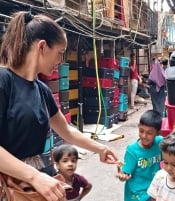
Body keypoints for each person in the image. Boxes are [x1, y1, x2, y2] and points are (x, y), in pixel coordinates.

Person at [0, 11, 118, 201]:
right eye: (59, 53)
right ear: (42, 47)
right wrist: (35, 177)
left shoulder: (41, 89)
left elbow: (67, 132)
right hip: (10, 187)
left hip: (34, 185)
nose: (60, 61)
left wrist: (100, 149)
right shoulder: (4, 80)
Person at [117, 110, 163, 201]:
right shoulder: (132, 150)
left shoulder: (160, 142)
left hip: (155, 192)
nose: (144, 136)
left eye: (149, 133)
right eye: (141, 131)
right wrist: (122, 176)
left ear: (158, 133)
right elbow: (125, 173)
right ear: (138, 127)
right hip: (137, 196)